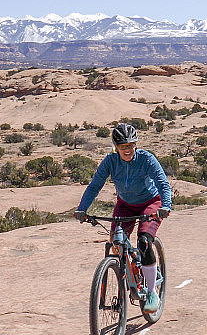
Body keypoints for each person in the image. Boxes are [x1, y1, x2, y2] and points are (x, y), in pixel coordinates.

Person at [74, 123, 172, 313]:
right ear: (115, 147)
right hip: (125, 205)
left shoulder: (146, 159)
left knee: (144, 242)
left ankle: (151, 291)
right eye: (123, 146)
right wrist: (82, 209)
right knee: (116, 242)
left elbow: (162, 183)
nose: (128, 150)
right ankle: (131, 271)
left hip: (150, 203)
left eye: (131, 145)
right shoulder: (110, 161)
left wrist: (166, 205)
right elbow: (94, 186)